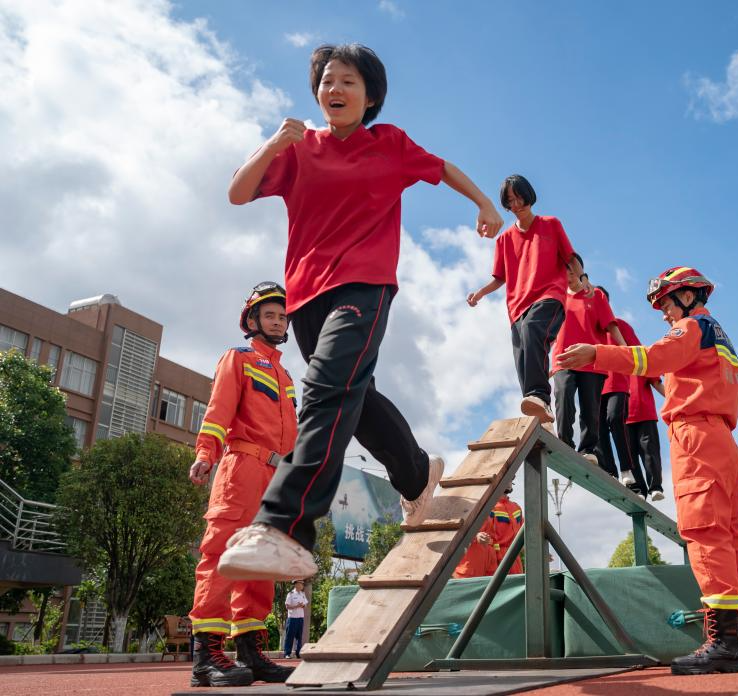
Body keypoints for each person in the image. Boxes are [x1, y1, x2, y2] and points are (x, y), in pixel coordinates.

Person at [218, 43, 503, 580]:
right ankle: (416, 475)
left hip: (365, 286)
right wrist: (275, 141)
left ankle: (284, 527)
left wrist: (485, 203)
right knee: (354, 395)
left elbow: (441, 168)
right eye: (327, 81)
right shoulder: (300, 150)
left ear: (370, 96)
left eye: (348, 81)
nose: (335, 89)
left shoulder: (388, 144)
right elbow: (238, 192)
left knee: (326, 389)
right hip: (307, 297)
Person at [556, 265, 738, 675]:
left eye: (665, 303)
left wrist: (596, 354)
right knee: (733, 541)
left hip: (696, 437)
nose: (663, 313)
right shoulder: (719, 335)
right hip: (722, 440)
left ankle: (722, 645)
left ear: (687, 296)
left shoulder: (691, 327)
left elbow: (652, 358)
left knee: (704, 534)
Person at [187, 283, 298, 687]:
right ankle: (206, 657)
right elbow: (218, 412)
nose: (278, 322)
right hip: (242, 468)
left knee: (260, 561)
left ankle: (250, 652)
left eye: (282, 316)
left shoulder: (285, 375)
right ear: (252, 321)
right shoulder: (238, 358)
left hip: (276, 476)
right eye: (270, 315)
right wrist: (205, 453)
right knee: (222, 555)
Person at [467, 174, 582, 425]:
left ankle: (539, 395)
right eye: (510, 201)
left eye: (519, 198)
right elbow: (500, 277)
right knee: (522, 357)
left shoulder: (551, 224)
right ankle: (540, 412)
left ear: (529, 196)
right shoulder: (504, 239)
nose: (516, 205)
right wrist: (480, 292)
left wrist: (583, 279)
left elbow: (570, 257)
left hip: (549, 296)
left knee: (533, 329)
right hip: (517, 306)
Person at [551, 257, 625, 464]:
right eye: (565, 269)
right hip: (563, 359)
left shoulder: (596, 295)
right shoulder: (556, 296)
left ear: (581, 270)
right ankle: (565, 443)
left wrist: (625, 348)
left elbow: (611, 325)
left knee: (590, 408)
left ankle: (587, 449)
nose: (570, 273)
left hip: (591, 361)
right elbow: (548, 331)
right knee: (563, 396)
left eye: (573, 269)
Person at [593, 287, 643, 492]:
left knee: (614, 418)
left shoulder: (620, 326)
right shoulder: (589, 326)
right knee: (597, 427)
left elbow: (638, 350)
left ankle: (626, 469)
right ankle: (609, 471)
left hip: (617, 383)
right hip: (595, 384)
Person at [618, 317, 666, 502]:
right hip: (623, 416)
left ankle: (655, 486)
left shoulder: (641, 358)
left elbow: (656, 383)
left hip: (645, 413)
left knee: (650, 452)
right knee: (629, 455)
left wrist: (676, 399)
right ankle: (638, 488)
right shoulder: (613, 363)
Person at [283, 580, 309, 659]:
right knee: (289, 636)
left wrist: (302, 605)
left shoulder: (302, 594)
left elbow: (305, 605)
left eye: (302, 584)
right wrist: (296, 606)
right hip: (292, 618)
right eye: (301, 584)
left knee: (299, 637)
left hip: (300, 618)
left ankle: (298, 653)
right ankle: (287, 653)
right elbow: (287, 606)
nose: (302, 586)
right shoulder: (290, 594)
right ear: (296, 584)